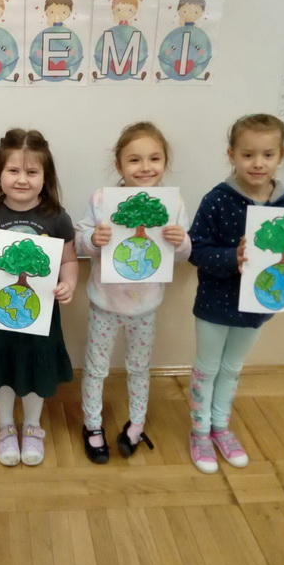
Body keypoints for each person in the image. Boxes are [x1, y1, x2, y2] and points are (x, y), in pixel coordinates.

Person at [188, 113, 284, 473]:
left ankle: (220, 427)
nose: (258, 163)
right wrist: (233, 256)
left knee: (232, 368)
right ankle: (199, 432)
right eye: (248, 154)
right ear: (231, 154)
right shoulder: (217, 200)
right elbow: (196, 251)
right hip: (215, 304)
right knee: (207, 368)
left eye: (268, 154)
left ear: (281, 155)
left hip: (258, 307)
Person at [0, 128, 78, 466]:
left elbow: (69, 261)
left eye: (32, 171)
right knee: (2, 368)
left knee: (36, 369)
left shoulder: (57, 218)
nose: (22, 179)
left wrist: (68, 284)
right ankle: (6, 426)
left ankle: (33, 426)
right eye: (13, 170)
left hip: (41, 315)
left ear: (45, 177)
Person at [75, 122, 191, 463]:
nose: (145, 167)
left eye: (154, 158)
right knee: (96, 368)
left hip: (145, 307)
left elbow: (182, 254)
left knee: (139, 367)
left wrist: (180, 241)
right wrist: (92, 239)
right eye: (134, 159)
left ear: (165, 162)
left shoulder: (173, 203)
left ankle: (136, 423)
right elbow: (80, 241)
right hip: (104, 303)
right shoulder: (102, 200)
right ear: (119, 164)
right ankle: (92, 425)